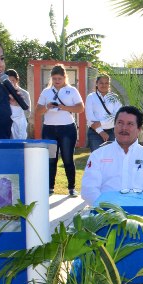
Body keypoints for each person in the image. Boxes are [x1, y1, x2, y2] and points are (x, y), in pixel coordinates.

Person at [81, 105, 143, 204]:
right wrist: (109, 210)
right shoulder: (98, 156)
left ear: (139, 129)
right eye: (120, 123)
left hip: (141, 216)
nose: (124, 128)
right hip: (105, 215)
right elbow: (88, 190)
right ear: (114, 126)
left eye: (130, 124)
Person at [35, 64, 85, 196]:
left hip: (67, 129)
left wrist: (64, 107)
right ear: (51, 78)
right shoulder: (46, 92)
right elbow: (38, 111)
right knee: (51, 159)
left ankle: (71, 188)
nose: (57, 81)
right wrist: (47, 106)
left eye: (59, 78)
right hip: (49, 129)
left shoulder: (72, 90)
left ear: (65, 77)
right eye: (54, 78)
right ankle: (50, 187)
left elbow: (80, 108)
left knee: (68, 158)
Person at [85, 73, 123, 152]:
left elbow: (118, 116)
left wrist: (101, 122)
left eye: (106, 83)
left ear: (109, 84)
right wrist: (101, 132)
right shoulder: (91, 97)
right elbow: (90, 118)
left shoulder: (114, 97)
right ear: (96, 83)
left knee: (112, 158)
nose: (104, 85)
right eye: (101, 83)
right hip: (95, 133)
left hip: (112, 132)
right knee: (97, 158)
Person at [4, 69, 30, 139]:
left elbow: (28, 113)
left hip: (19, 126)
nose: (11, 84)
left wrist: (18, 107)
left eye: (13, 81)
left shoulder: (23, 94)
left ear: (17, 80)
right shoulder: (2, 93)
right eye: (9, 81)